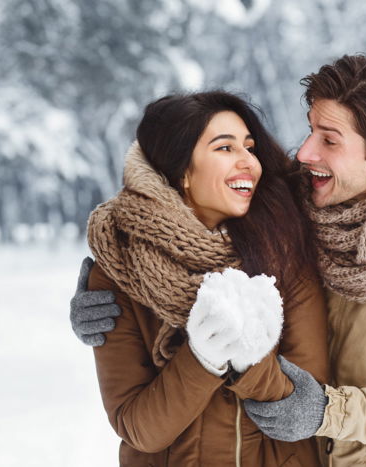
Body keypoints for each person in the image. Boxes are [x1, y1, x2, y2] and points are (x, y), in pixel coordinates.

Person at [71, 54, 366, 467]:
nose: (306, 152)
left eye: (329, 140)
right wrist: (125, 272)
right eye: (311, 129)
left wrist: (328, 411)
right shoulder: (292, 200)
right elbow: (174, 202)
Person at [76, 90, 330, 466]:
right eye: (225, 148)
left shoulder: (284, 251)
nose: (249, 163)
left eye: (249, 147)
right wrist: (203, 358)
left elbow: (301, 398)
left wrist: (248, 351)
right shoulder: (119, 269)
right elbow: (139, 428)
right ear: (182, 172)